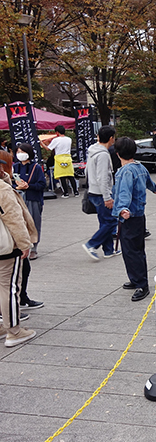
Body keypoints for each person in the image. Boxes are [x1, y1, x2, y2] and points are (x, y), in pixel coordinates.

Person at [111, 137, 156, 302]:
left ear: (118, 154)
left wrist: (122, 209)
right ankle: (135, 279)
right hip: (138, 215)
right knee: (133, 249)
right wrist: (155, 189)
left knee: (132, 251)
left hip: (130, 216)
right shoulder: (139, 166)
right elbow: (149, 181)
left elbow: (125, 192)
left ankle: (141, 284)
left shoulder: (125, 171)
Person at [0, 150, 38, 346]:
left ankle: (3, 324)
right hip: (7, 246)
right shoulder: (3, 190)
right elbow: (14, 220)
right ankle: (14, 331)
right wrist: (25, 244)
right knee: (9, 287)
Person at [82, 125, 119, 261]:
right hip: (100, 193)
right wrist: (107, 196)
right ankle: (92, 244)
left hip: (93, 190)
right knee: (110, 222)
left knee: (105, 221)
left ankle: (108, 250)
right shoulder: (103, 154)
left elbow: (87, 172)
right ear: (111, 138)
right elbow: (103, 177)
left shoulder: (92, 151)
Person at [13, 143, 45, 260]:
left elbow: (42, 184)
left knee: (34, 223)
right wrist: (17, 187)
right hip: (19, 198)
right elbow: (10, 182)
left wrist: (28, 186)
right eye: (18, 152)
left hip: (33, 198)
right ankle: (22, 245)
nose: (20, 155)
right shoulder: (15, 166)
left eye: (22, 152)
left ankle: (34, 248)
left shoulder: (36, 167)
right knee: (20, 222)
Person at [40, 125, 78, 198]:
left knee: (62, 177)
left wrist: (42, 143)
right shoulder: (69, 139)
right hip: (68, 158)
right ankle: (76, 192)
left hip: (59, 158)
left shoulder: (56, 140)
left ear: (57, 132)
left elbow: (48, 149)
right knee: (70, 176)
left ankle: (66, 193)